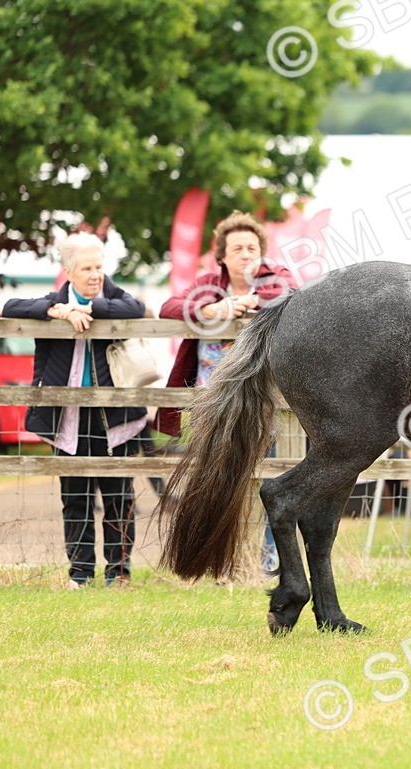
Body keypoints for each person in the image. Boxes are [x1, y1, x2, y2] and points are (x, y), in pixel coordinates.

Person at [2, 232, 148, 588]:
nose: (95, 274)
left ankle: (118, 573)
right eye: (86, 268)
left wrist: (90, 309)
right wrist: (57, 311)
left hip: (114, 415)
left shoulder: (113, 297)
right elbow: (10, 308)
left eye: (99, 266)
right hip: (68, 417)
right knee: (76, 498)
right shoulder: (55, 301)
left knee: (119, 498)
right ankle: (80, 574)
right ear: (68, 271)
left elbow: (136, 309)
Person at [157, 211, 296, 572]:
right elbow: (168, 306)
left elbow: (291, 293)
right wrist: (210, 308)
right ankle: (221, 562)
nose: (246, 254)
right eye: (237, 248)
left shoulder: (272, 278)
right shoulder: (207, 284)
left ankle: (269, 561)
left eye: (252, 247)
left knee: (271, 479)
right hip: (212, 404)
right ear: (222, 256)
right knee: (216, 478)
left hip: (262, 400)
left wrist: (251, 301)